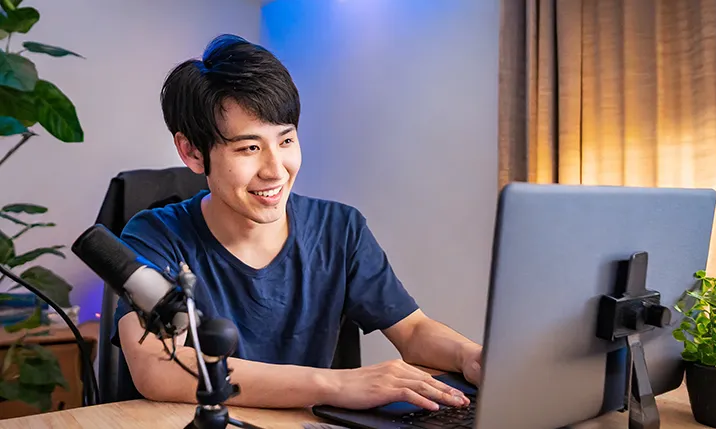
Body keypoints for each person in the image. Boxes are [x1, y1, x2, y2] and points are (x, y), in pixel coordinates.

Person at [113, 33, 482, 412]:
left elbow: (414, 330)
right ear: (192, 152)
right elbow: (158, 367)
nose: (276, 170)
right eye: (249, 148)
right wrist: (335, 384)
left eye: (286, 141)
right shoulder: (155, 236)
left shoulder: (340, 229)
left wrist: (473, 357)